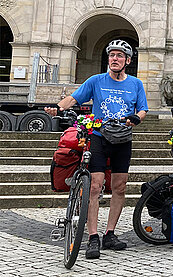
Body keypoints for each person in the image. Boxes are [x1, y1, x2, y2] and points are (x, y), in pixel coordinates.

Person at [44, 39, 148, 259]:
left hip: (123, 139)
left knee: (119, 187)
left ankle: (110, 233)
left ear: (127, 60)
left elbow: (143, 110)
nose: (115, 59)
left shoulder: (136, 84)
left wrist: (135, 119)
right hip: (99, 137)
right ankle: (93, 237)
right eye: (112, 55)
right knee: (94, 187)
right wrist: (57, 107)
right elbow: (74, 98)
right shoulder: (96, 81)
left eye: (120, 56)